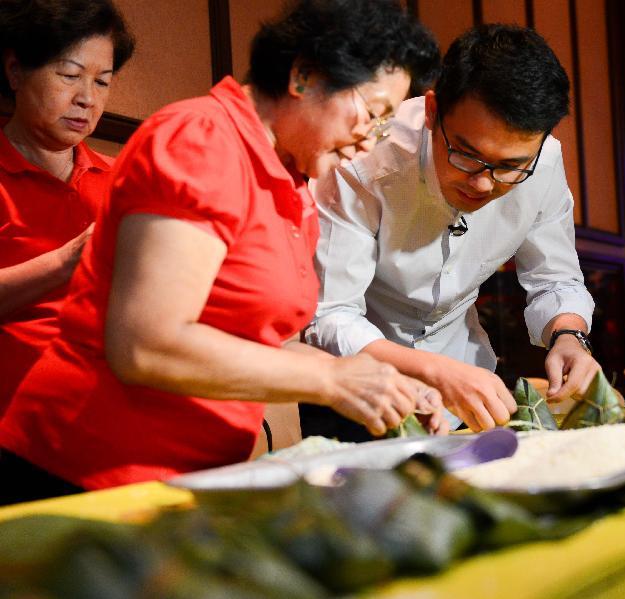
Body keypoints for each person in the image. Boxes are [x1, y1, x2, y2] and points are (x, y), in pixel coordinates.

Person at [0, 0, 442, 505]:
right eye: (372, 113)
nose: (370, 141)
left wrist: (385, 382)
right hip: (81, 473)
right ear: (304, 77)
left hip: (176, 479)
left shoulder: (292, 180)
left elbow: (245, 339)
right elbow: (148, 344)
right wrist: (331, 377)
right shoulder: (201, 140)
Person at [304, 24, 601, 438]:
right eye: (466, 154)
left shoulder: (544, 164)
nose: (483, 183)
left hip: (467, 388)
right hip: (356, 394)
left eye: (510, 167)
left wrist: (568, 337)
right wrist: (433, 372)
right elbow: (331, 315)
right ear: (432, 112)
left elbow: (555, 279)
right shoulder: (364, 162)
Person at [0, 0, 134, 414]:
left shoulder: (124, 180)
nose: (87, 99)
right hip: (19, 417)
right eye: (70, 75)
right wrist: (67, 261)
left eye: (103, 82)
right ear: (16, 71)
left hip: (119, 407)